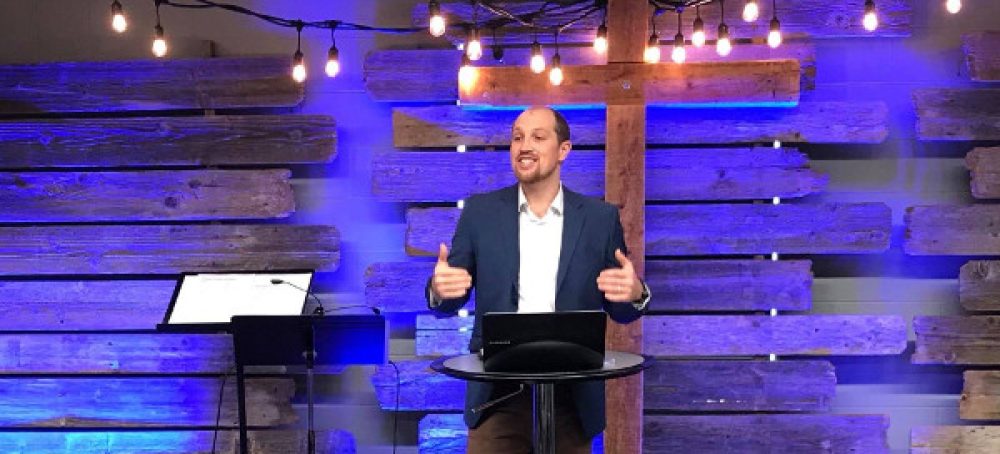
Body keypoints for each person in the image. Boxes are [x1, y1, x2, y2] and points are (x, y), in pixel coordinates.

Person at [426, 105, 649, 453]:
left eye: (538, 137)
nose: (524, 146)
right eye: (517, 138)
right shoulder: (480, 213)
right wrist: (440, 290)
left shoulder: (600, 219)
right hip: (497, 395)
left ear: (564, 150)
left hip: (572, 395)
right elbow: (452, 295)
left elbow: (620, 307)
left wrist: (634, 293)